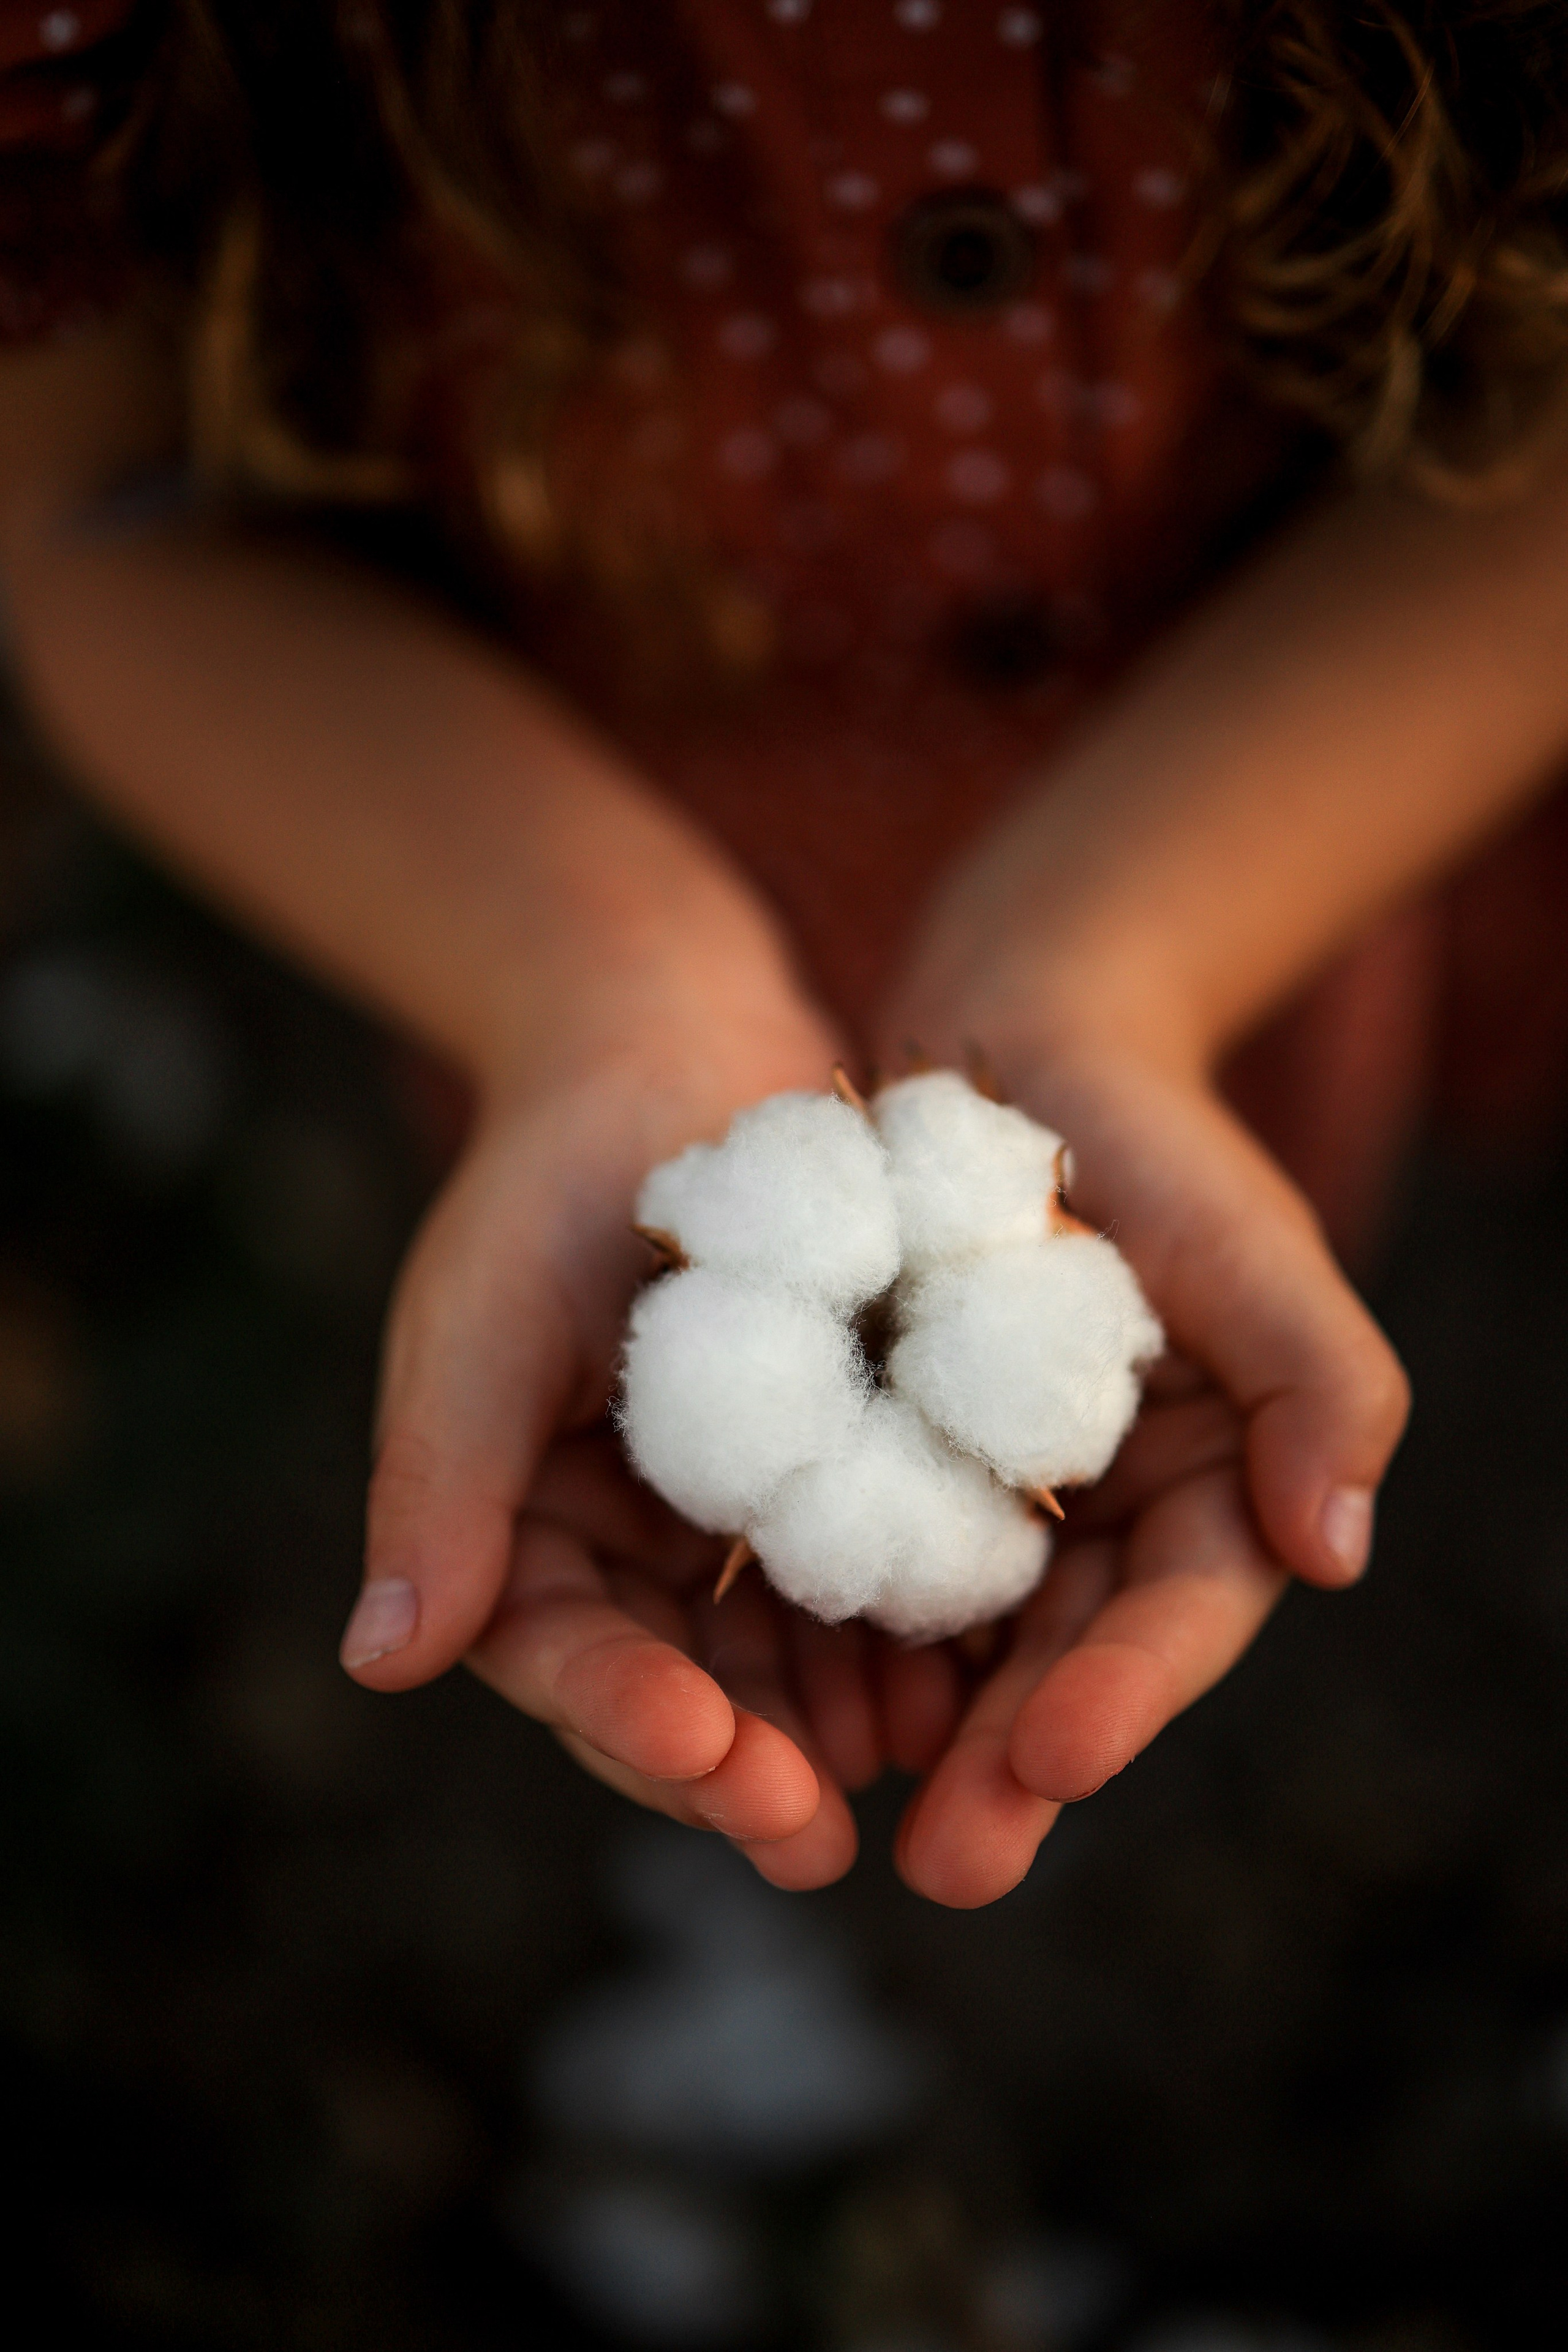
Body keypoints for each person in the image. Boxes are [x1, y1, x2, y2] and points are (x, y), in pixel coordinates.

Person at [1, 0, 1565, 1911]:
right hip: (525, 828)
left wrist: (1127, 952)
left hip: (1276, 795)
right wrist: (593, 977)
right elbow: (100, 506)